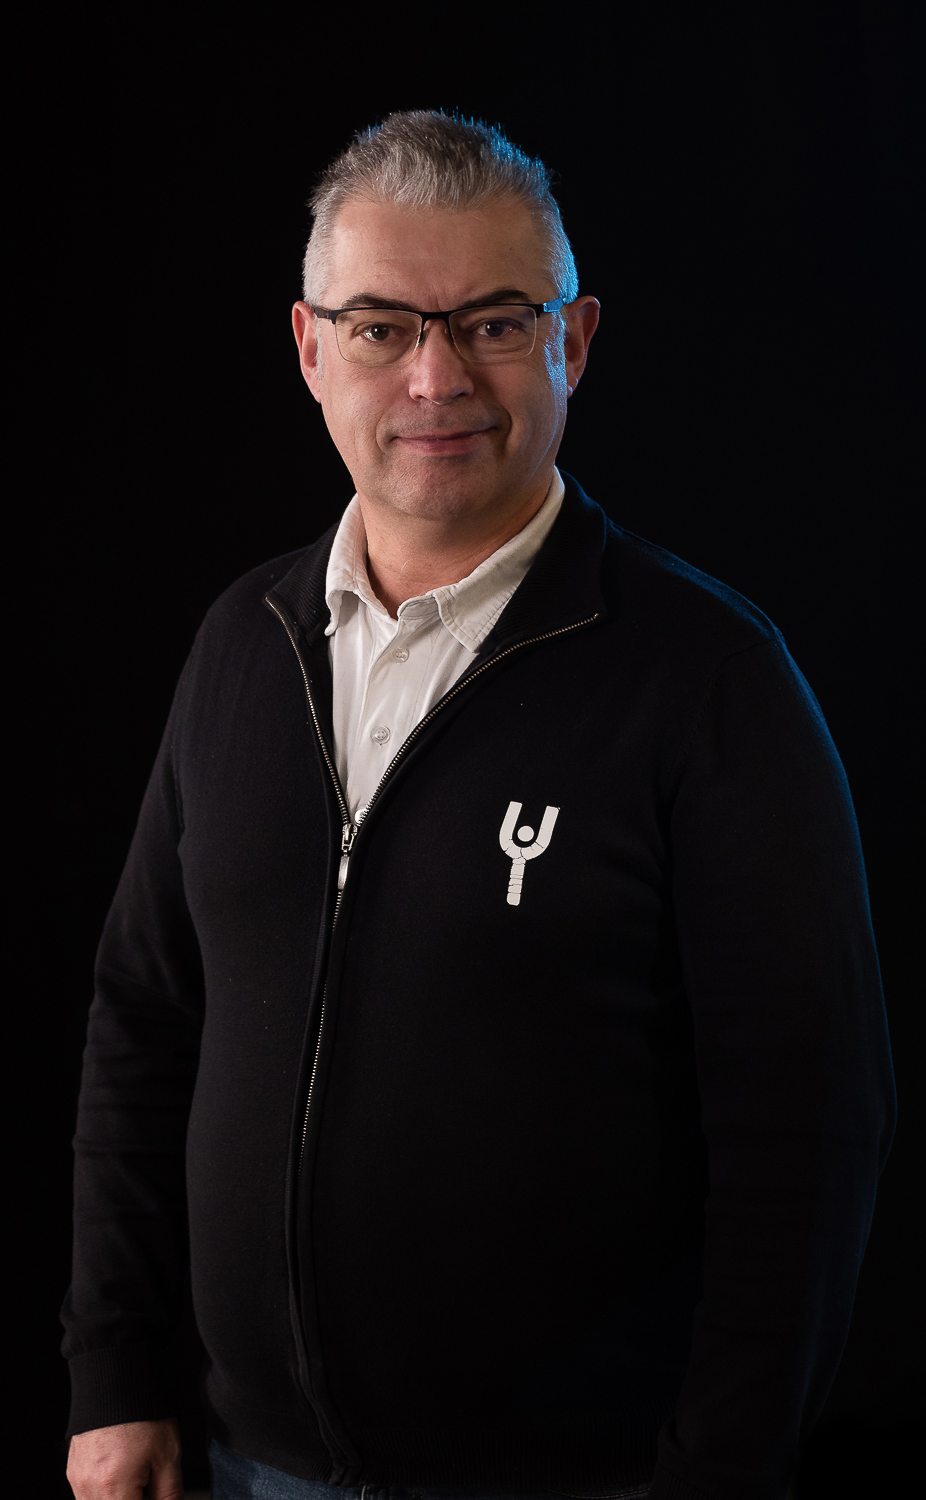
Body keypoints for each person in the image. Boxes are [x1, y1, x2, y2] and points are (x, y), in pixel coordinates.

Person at [62, 110, 896, 1500]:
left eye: (496, 323)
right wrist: (114, 1377)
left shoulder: (708, 682)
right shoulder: (241, 645)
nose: (436, 376)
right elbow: (143, 1023)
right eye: (382, 326)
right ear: (311, 348)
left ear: (573, 344)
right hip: (242, 1467)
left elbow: (807, 1130)